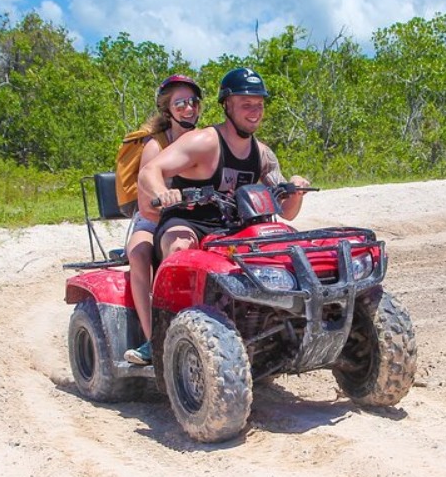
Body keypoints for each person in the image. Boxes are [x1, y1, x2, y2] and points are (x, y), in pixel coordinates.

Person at [137, 65, 310, 288]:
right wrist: (163, 193)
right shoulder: (204, 142)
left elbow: (287, 212)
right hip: (191, 223)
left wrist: (295, 190)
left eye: (259, 105)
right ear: (227, 105)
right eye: (246, 104)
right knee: (179, 246)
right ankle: (172, 316)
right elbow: (149, 172)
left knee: (287, 248)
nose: (255, 111)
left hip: (237, 227)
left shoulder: (263, 154)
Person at [122, 74, 203, 366]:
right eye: (180, 103)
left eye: (193, 101)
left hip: (199, 218)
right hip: (154, 220)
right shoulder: (156, 146)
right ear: (167, 109)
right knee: (140, 253)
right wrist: (169, 202)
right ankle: (153, 340)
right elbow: (145, 207)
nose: (189, 108)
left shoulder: (206, 139)